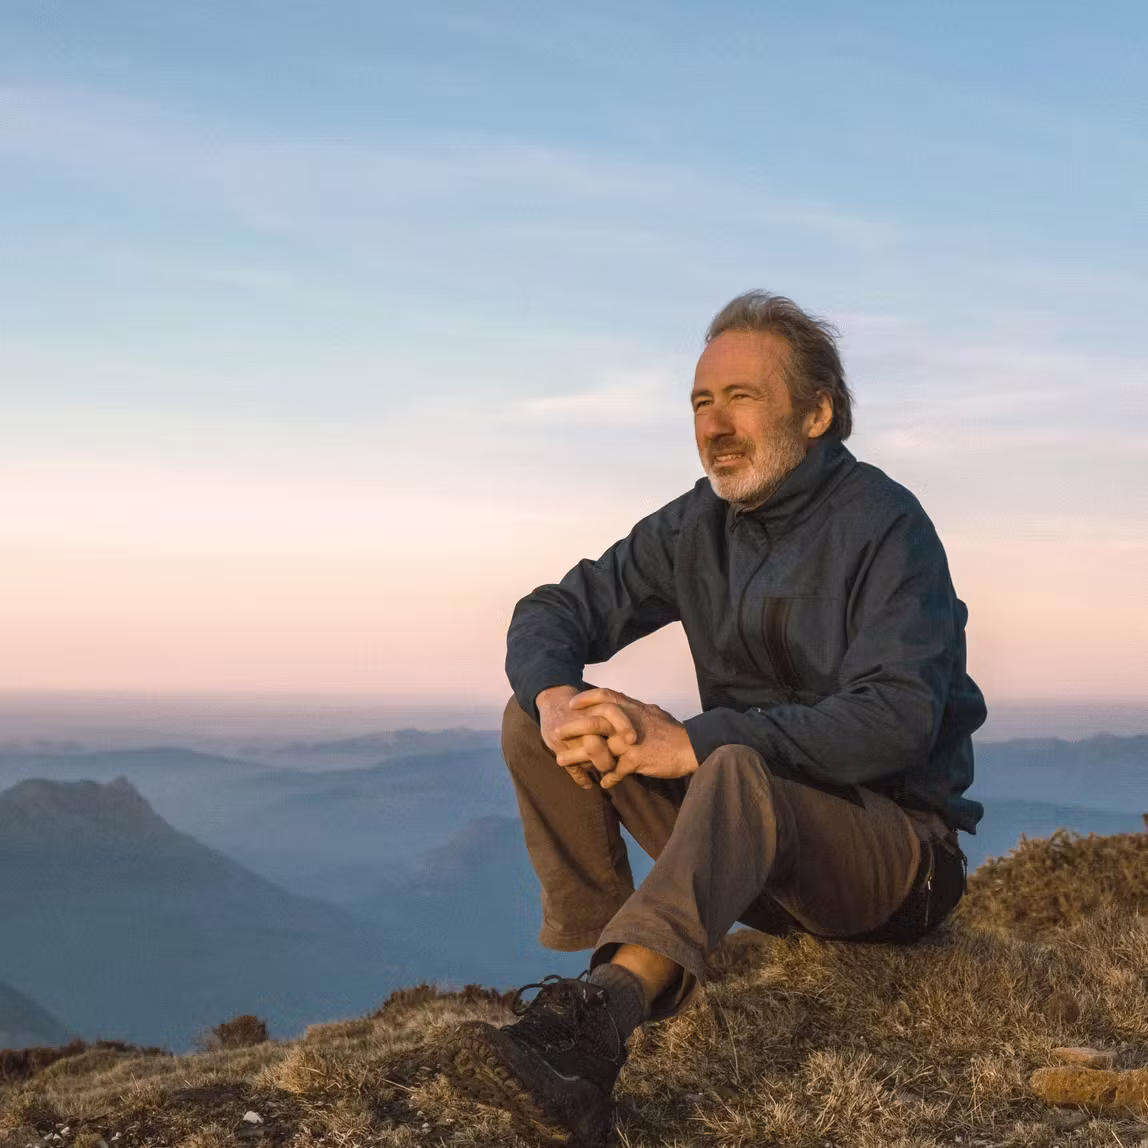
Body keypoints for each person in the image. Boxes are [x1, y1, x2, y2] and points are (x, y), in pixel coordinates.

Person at [438, 290, 987, 1146]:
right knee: (541, 717)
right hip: (753, 853)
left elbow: (897, 720)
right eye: (701, 401)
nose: (715, 424)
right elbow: (554, 610)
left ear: (817, 412)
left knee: (730, 764)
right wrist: (554, 698)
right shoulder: (699, 525)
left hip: (893, 859)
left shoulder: (887, 527)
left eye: (742, 398)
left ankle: (594, 1032)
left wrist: (690, 742)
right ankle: (581, 1005)